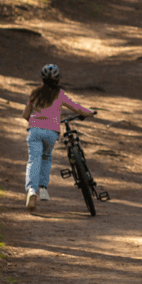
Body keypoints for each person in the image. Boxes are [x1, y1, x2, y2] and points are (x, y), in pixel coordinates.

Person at [22, 63, 94, 211]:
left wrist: (35, 122)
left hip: (34, 131)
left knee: (33, 160)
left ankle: (31, 191)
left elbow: (25, 114)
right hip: (51, 133)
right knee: (46, 157)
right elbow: (77, 108)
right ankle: (43, 188)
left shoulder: (34, 93)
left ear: (42, 79)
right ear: (58, 80)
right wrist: (89, 112)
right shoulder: (59, 94)